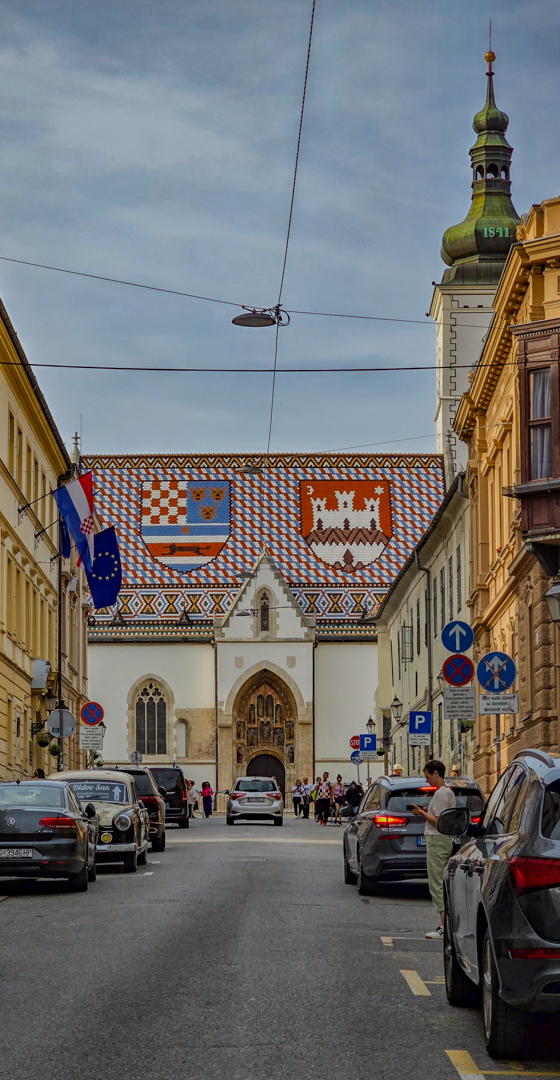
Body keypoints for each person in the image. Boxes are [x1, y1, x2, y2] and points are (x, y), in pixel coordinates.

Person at [411, 760, 456, 939]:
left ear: (436, 773)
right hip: (446, 839)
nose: (427, 780)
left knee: (436, 883)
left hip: (436, 839)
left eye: (428, 776)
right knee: (444, 882)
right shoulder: (449, 793)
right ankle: (448, 925)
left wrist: (421, 813)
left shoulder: (439, 794)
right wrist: (424, 810)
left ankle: (443, 927)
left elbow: (437, 820)